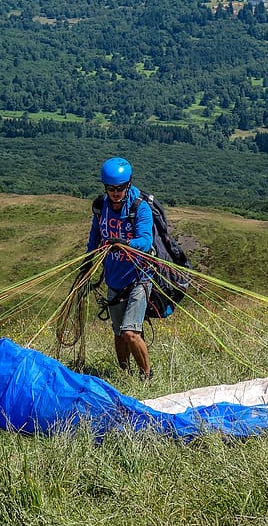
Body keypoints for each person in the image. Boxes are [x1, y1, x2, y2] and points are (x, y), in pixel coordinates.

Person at [86, 157, 154, 379]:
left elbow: (146, 240)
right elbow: (95, 234)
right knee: (118, 333)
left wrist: (126, 244)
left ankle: (146, 376)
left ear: (128, 184)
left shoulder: (139, 208)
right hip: (114, 279)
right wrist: (88, 261)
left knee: (130, 332)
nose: (116, 192)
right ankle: (124, 374)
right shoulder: (100, 207)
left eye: (120, 188)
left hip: (138, 278)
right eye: (111, 188)